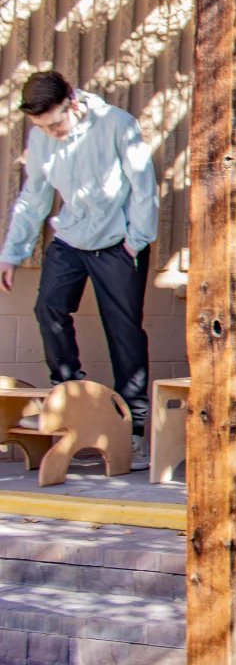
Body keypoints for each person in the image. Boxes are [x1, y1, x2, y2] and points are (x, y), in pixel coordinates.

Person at [0, 71, 158, 461]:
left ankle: (133, 429)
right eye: (41, 126)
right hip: (71, 237)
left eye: (55, 123)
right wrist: (12, 252)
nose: (50, 132)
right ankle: (68, 393)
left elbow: (144, 187)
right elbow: (34, 195)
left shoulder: (117, 125)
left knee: (124, 334)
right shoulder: (43, 137)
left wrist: (135, 242)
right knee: (48, 308)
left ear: (72, 102)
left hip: (118, 243)